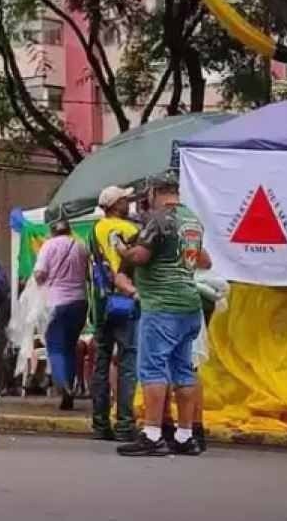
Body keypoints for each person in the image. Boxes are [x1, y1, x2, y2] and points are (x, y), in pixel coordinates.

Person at [116, 173, 210, 457]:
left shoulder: (159, 219)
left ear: (155, 192)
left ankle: (153, 434)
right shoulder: (193, 219)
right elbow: (204, 260)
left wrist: (121, 248)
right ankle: (185, 435)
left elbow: (140, 257)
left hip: (161, 304)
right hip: (189, 305)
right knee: (184, 369)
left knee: (153, 369)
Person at [90, 185, 140, 442]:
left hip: (101, 303)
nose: (128, 202)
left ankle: (100, 423)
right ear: (115, 204)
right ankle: (125, 423)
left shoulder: (94, 230)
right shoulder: (132, 230)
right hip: (127, 300)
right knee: (128, 361)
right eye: (124, 199)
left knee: (101, 362)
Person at [33, 210, 89, 411]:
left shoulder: (49, 245)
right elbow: (87, 275)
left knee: (55, 346)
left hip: (55, 302)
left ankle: (63, 386)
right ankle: (70, 386)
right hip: (79, 302)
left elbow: (39, 273)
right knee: (71, 346)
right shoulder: (80, 246)